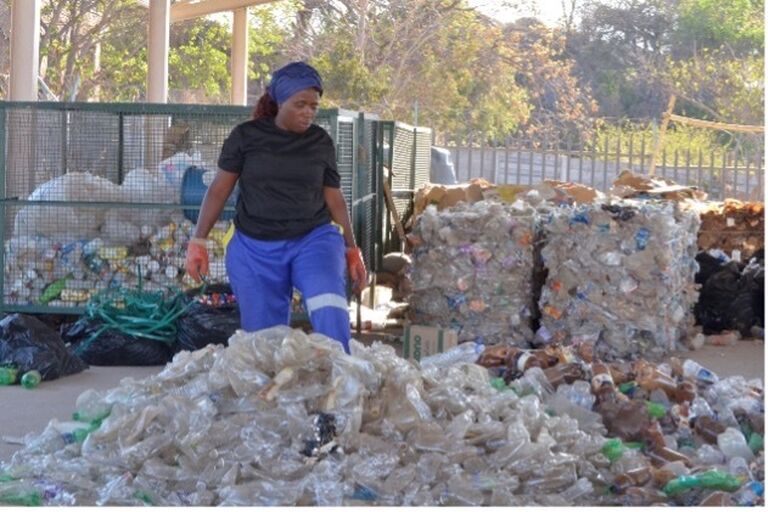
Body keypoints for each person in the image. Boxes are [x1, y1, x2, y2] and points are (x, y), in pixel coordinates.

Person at [184, 61, 366, 354]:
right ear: (280, 102)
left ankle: (343, 381)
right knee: (264, 344)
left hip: (313, 240)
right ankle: (274, 396)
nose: (308, 112)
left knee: (328, 306)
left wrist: (351, 249)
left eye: (314, 106)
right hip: (255, 248)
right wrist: (198, 241)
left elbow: (335, 199)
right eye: (300, 104)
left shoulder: (320, 142)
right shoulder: (246, 136)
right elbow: (219, 189)